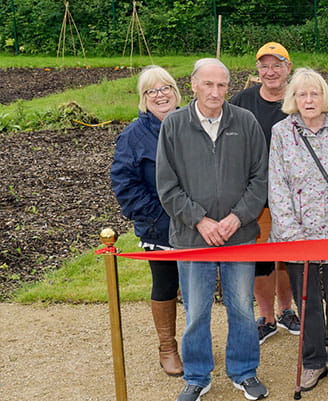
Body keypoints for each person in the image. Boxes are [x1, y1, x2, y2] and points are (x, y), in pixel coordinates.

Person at [157, 58, 269, 401]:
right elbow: (167, 186)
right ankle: (196, 376)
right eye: (208, 84)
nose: (215, 92)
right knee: (196, 311)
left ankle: (244, 371)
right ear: (193, 85)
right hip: (192, 238)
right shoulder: (174, 125)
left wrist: (238, 218)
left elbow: (260, 178)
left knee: (242, 308)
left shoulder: (245, 122)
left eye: (221, 85)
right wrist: (199, 220)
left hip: (239, 236)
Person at [268, 68, 328, 392]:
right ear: (293, 98)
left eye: (314, 93)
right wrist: (291, 235)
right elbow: (277, 186)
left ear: (324, 97)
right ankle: (312, 361)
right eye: (302, 94)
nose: (309, 100)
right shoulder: (282, 133)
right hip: (298, 236)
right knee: (307, 302)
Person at [110, 65, 183, 377]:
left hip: (197, 224)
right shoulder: (133, 136)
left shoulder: (191, 123)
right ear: (143, 98)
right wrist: (156, 215)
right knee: (166, 283)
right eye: (152, 91)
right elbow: (124, 183)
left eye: (165, 87)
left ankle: (197, 345)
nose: (160, 95)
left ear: (176, 92)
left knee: (198, 286)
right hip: (160, 226)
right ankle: (167, 347)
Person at [229, 42, 299, 345]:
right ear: (258, 70)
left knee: (287, 256)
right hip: (255, 195)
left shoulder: (299, 98)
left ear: (288, 68)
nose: (271, 72)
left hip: (293, 193)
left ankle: (287, 310)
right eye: (265, 66)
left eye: (277, 65)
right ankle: (267, 317)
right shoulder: (242, 101)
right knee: (261, 258)